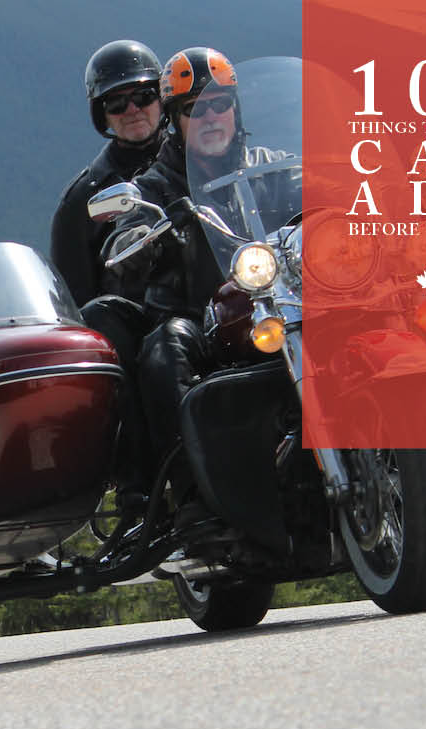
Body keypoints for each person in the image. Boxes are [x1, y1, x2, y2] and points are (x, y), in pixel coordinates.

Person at [106, 47, 297, 527]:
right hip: (201, 319)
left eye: (220, 103)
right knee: (164, 347)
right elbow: (125, 231)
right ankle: (196, 495)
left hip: (283, 303)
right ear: (175, 119)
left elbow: (322, 193)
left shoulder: (273, 166)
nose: (211, 116)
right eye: (195, 108)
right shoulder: (156, 184)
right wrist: (140, 237)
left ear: (236, 108)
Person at [50, 40, 165, 309]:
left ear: (162, 99)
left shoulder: (194, 165)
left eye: (144, 96)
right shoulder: (82, 199)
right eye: (117, 103)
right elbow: (75, 303)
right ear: (102, 115)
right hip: (138, 332)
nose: (132, 109)